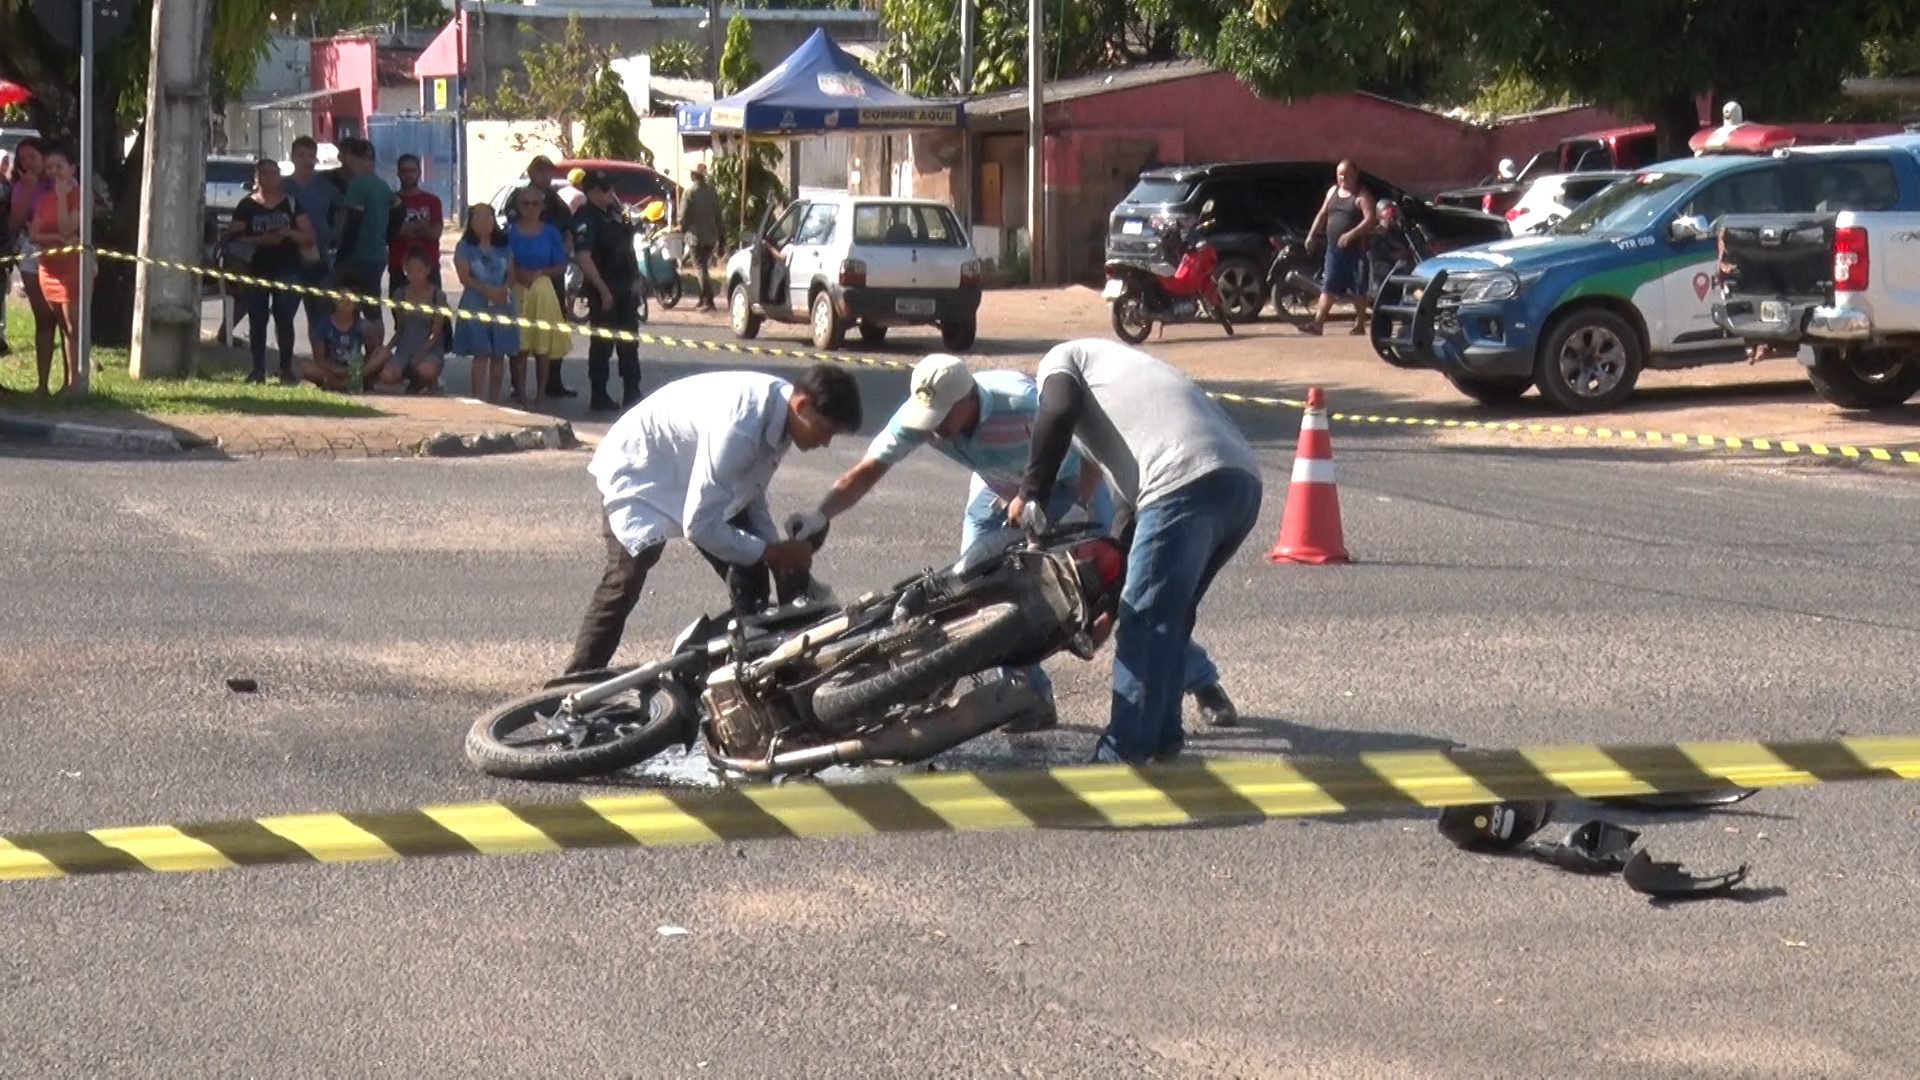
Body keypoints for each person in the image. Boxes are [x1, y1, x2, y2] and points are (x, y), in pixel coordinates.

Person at [808, 354, 1241, 733]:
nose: (935, 432)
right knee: (973, 593)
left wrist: (1079, 507)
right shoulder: (921, 416)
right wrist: (819, 514)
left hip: (1070, 484)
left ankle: (1201, 681)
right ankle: (1030, 696)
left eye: (943, 418)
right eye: (929, 421)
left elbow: (1092, 451)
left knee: (1120, 593)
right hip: (998, 491)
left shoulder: (1023, 404)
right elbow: (866, 471)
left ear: (969, 400)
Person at [1007, 339, 1262, 765]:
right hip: (1240, 485)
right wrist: (1108, 603)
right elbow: (1128, 518)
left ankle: (1122, 754)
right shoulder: (1125, 391)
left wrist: (1031, 493)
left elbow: (1058, 408)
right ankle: (1162, 737)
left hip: (1181, 480)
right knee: (1169, 617)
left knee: (1145, 623)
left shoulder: (1062, 359)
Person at [562, 365, 865, 677]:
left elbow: (751, 491)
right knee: (627, 576)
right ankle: (570, 685)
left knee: (753, 577)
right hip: (644, 467)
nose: (826, 442)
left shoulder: (785, 416)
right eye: (826, 430)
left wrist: (776, 550)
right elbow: (700, 525)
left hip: (694, 472)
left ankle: (745, 673)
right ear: (802, 406)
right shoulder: (742, 425)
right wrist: (773, 552)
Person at [228, 156, 314, 384]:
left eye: (274, 172)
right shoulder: (247, 205)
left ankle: (286, 368)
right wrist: (260, 240)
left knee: (284, 318)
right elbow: (234, 237)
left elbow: (309, 236)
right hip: (257, 269)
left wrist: (289, 234)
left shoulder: (292, 204)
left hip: (288, 267)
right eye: (263, 173)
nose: (269, 177)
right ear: (256, 178)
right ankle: (258, 369)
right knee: (257, 319)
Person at [571, 169, 645, 413]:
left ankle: (632, 389)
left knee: (629, 341)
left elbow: (628, 249)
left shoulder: (615, 214)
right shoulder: (585, 218)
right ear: (591, 191)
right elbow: (584, 257)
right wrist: (602, 290)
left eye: (611, 188)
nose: (610, 193)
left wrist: (636, 278)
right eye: (605, 189)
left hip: (625, 285)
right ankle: (599, 394)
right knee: (603, 343)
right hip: (604, 286)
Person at [511, 155, 578, 401]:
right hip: (518, 284)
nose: (531, 207)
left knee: (547, 339)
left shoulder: (557, 204)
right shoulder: (515, 202)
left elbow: (567, 233)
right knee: (518, 343)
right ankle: (517, 388)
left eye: (546, 171)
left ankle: (551, 384)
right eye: (538, 171)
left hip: (548, 282)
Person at [26, 143, 90, 396]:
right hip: (48, 270)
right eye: (50, 166)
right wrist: (58, 240)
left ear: (72, 168)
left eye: (59, 166)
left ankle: (74, 383)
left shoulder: (82, 196)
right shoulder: (45, 198)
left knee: (74, 327)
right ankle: (46, 386)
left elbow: (68, 227)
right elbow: (34, 234)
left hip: (73, 269)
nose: (53, 171)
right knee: (60, 326)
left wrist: (64, 197)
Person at [452, 203, 520, 405]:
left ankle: (494, 399)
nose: (484, 222)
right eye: (478, 217)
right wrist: (488, 291)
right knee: (481, 353)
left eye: (488, 217)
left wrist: (503, 290)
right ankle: (478, 398)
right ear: (470, 222)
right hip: (476, 302)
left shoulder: (503, 245)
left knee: (499, 354)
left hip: (502, 302)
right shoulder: (464, 247)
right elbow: (465, 278)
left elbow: (512, 273)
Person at [1300, 159, 1377, 337]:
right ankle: (1318, 323)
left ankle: (1360, 323)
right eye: (1340, 174)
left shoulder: (1362, 195)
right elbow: (1322, 213)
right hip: (1334, 250)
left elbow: (1370, 219)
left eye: (1347, 174)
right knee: (1329, 285)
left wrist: (1351, 234)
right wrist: (1312, 234)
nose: (1343, 177)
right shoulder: (1332, 192)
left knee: (1358, 288)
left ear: (1356, 174)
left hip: (1357, 250)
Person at [283, 135, 345, 337]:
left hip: (320, 258)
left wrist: (335, 232)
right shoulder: (283, 187)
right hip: (289, 258)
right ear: (292, 157)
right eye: (301, 155)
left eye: (311, 155)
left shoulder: (326, 188)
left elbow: (343, 211)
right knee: (285, 313)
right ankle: (285, 362)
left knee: (320, 314)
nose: (306, 160)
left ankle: (321, 361)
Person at [6, 139, 58, 379]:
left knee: (65, 319)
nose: (27, 162)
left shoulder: (58, 180)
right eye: (22, 158)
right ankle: (42, 382)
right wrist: (27, 189)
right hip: (31, 250)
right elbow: (14, 223)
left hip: (59, 251)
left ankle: (72, 382)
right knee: (43, 318)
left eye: (32, 157)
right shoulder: (20, 186)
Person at [334, 138, 394, 329]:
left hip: (357, 255)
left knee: (345, 307)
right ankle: (373, 352)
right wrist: (386, 236)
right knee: (372, 308)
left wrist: (341, 255)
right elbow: (399, 209)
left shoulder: (358, 185)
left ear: (353, 158)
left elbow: (353, 221)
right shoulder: (381, 185)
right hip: (377, 253)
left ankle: (354, 350)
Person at [298, 295, 395, 393]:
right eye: (342, 299)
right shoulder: (323, 326)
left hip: (356, 369)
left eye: (350, 300)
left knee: (384, 352)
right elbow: (319, 360)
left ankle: (344, 383)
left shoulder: (363, 326)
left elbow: (373, 351)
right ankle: (342, 384)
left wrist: (358, 369)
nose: (346, 303)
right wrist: (337, 370)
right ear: (334, 302)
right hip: (332, 369)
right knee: (306, 366)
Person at [387, 250, 447, 394]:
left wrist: (421, 352)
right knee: (387, 376)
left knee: (425, 370)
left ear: (427, 270)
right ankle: (406, 381)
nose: (415, 275)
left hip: (429, 347)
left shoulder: (437, 296)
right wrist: (387, 349)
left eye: (419, 270)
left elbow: (436, 333)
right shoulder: (400, 295)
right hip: (405, 347)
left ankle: (430, 383)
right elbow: (400, 329)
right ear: (404, 270)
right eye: (410, 270)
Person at [386, 152, 444, 297]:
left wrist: (407, 228)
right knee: (400, 314)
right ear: (398, 173)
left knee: (434, 315)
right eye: (404, 171)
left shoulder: (432, 201)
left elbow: (435, 233)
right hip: (399, 268)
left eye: (412, 170)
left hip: (429, 268)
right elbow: (391, 233)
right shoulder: (390, 201)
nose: (408, 175)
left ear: (419, 172)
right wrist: (421, 224)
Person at [676, 161, 722, 311]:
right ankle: (703, 299)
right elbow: (718, 215)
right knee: (704, 268)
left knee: (700, 268)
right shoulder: (711, 192)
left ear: (694, 176)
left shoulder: (689, 193)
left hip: (695, 237)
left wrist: (680, 229)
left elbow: (683, 216)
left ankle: (708, 300)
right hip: (710, 236)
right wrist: (722, 237)